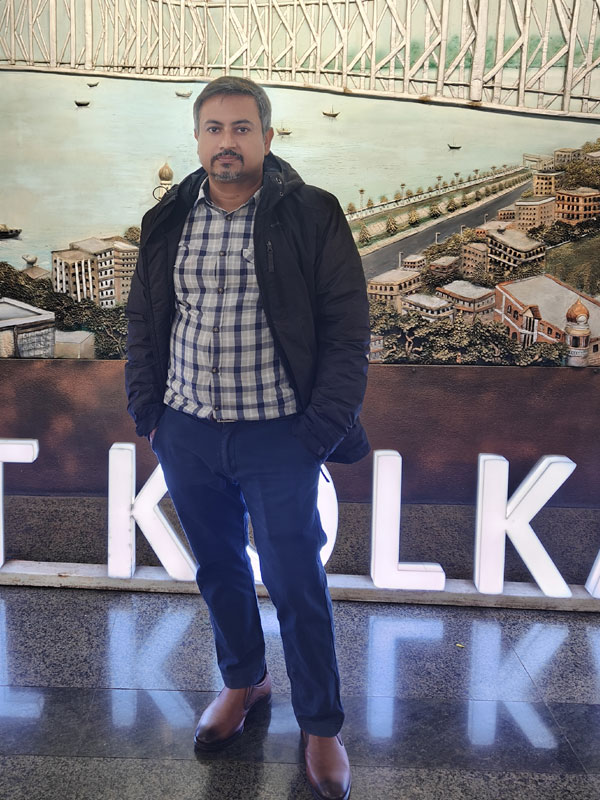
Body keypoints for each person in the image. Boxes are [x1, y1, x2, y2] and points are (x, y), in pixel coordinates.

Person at [125, 75, 370, 800]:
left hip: (280, 437)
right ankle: (245, 682)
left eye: (240, 128)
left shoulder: (312, 213)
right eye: (213, 129)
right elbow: (143, 321)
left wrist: (315, 434)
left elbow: (348, 332)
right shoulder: (167, 218)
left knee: (296, 581)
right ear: (198, 139)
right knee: (219, 570)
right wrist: (151, 416)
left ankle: (321, 726)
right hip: (187, 431)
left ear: (266, 135)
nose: (226, 142)